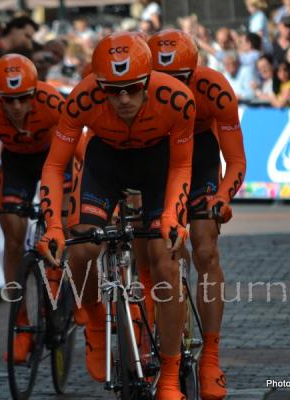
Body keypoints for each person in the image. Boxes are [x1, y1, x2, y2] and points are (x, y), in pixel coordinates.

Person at [38, 32, 196, 400]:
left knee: (166, 263)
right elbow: (54, 165)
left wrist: (173, 214)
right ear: (99, 86)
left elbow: (182, 165)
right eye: (112, 90)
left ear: (147, 82)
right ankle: (94, 319)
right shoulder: (81, 98)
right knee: (80, 250)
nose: (122, 99)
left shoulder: (177, 98)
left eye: (131, 89)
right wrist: (54, 226)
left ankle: (170, 376)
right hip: (105, 165)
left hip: (158, 170)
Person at [148, 29, 246, 400]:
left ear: (196, 71)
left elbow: (235, 158)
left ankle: (211, 358)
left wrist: (222, 196)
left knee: (206, 251)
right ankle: (144, 333)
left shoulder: (215, 88)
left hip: (200, 156)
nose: (173, 89)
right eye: (162, 82)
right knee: (154, 254)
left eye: (181, 80)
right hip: (156, 155)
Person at [0, 54, 66, 362]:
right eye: (7, 100)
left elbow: (79, 150)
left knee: (68, 224)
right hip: (16, 164)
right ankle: (21, 323)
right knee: (12, 235)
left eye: (23, 98)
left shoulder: (52, 101)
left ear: (35, 93)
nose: (15, 107)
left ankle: (62, 284)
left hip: (56, 157)